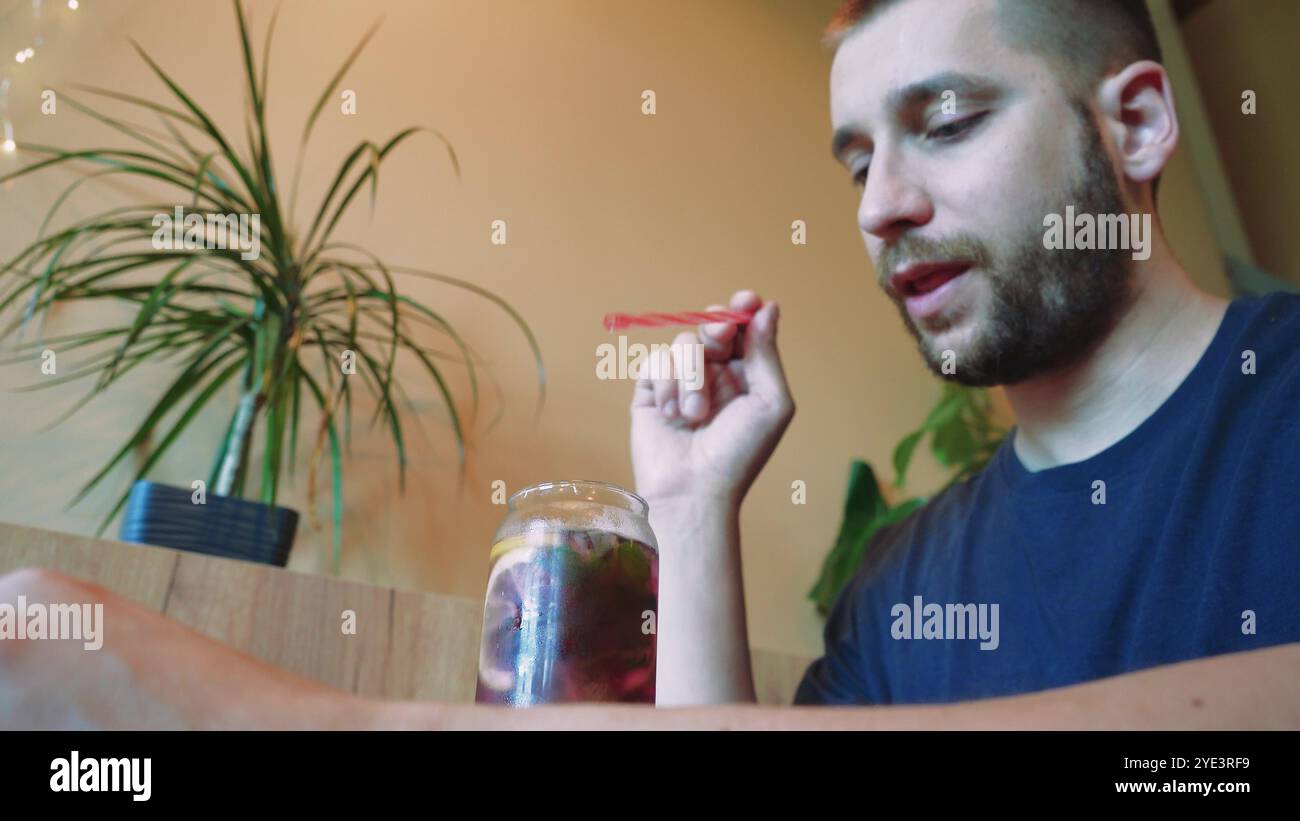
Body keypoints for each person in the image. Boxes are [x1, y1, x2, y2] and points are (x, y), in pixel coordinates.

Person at [1, 0, 1297, 729]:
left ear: (1134, 121)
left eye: (946, 124)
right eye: (854, 162)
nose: (880, 205)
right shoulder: (901, 583)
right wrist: (691, 510)